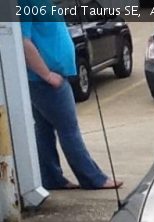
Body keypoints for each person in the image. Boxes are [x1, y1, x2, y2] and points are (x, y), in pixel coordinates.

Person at [20, 2, 122, 190]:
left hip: (48, 78)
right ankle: (93, 179)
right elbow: (23, 41)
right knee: (69, 130)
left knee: (44, 131)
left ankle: (51, 178)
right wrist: (47, 75)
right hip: (46, 80)